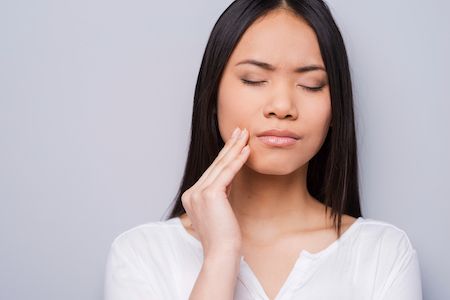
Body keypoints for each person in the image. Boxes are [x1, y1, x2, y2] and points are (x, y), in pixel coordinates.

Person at [103, 0, 423, 299]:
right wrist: (221, 256)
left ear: (335, 108)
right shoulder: (142, 254)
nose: (282, 106)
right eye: (254, 80)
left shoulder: (383, 253)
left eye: (311, 85)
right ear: (212, 96)